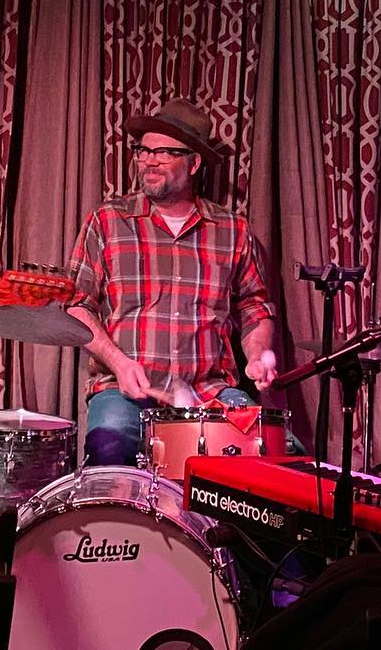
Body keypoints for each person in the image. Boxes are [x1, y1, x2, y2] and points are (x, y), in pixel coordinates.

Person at [67, 98, 278, 467]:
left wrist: (259, 355)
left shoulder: (232, 230)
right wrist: (118, 363)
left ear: (194, 163)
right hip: (124, 392)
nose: (149, 161)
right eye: (143, 151)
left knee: (273, 451)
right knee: (107, 450)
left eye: (164, 152)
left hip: (210, 393)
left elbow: (254, 308)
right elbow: (75, 305)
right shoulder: (108, 221)